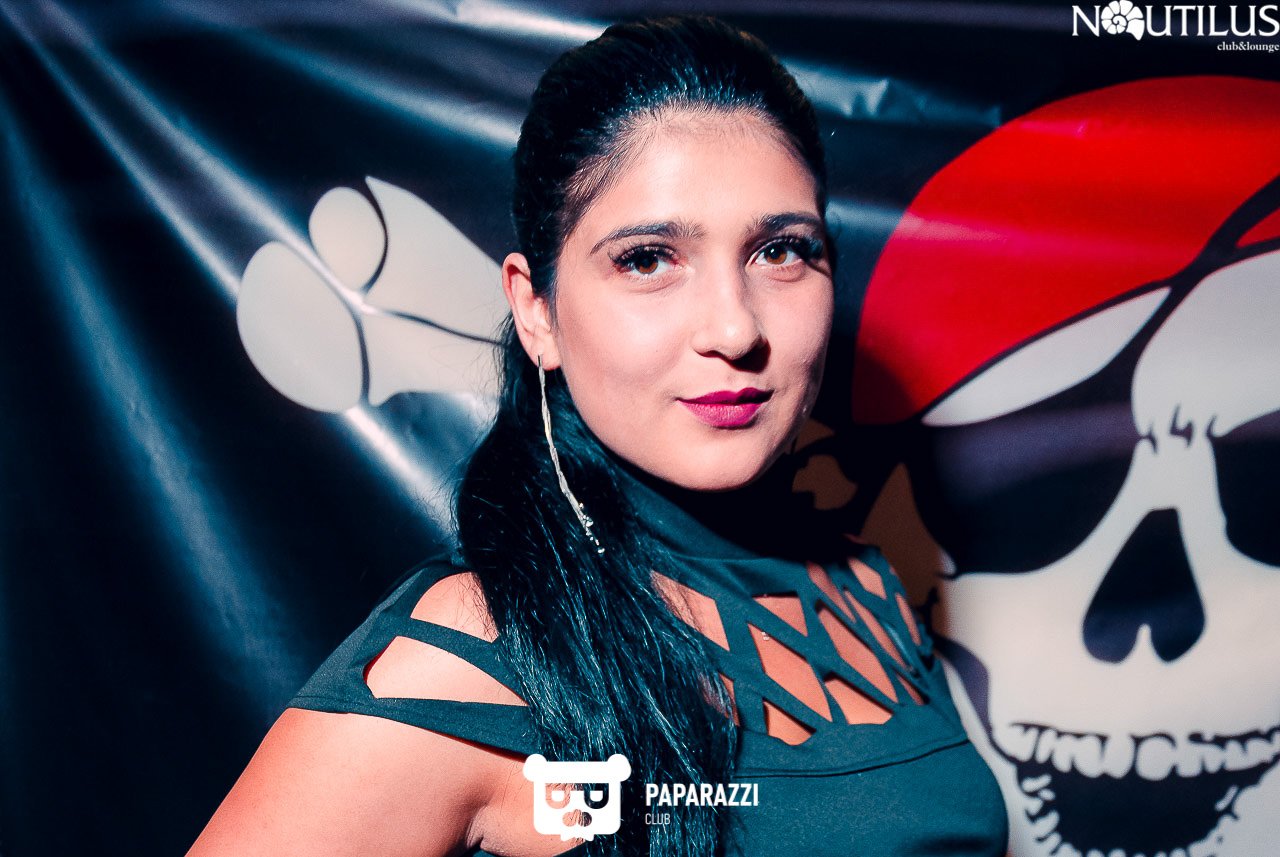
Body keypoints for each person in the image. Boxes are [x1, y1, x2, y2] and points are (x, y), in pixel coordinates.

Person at [188, 15, 1008, 857]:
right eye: (648, 259)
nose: (735, 328)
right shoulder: (477, 650)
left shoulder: (866, 586)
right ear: (535, 310)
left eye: (781, 251)